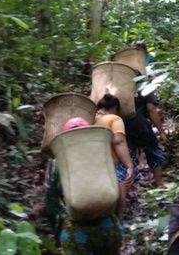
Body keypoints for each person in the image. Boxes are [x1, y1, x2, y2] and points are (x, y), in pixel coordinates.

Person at [44, 116, 124, 255]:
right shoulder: (103, 155)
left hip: (76, 233)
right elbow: (116, 191)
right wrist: (117, 220)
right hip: (109, 227)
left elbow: (51, 204)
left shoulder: (57, 164)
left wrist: (58, 230)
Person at [94, 93, 135, 215]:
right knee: (121, 187)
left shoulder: (90, 119)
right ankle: (118, 222)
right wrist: (129, 166)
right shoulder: (114, 119)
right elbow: (118, 141)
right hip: (109, 165)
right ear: (114, 108)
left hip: (91, 165)